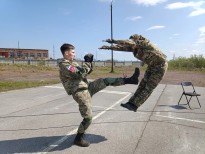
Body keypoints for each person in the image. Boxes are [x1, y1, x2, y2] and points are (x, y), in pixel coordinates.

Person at [58, 43, 140, 147]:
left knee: (105, 80)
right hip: (79, 92)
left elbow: (87, 71)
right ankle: (78, 138)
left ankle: (130, 80)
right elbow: (81, 73)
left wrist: (89, 62)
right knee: (88, 118)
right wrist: (87, 62)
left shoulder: (72, 63)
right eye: (72, 52)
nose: (74, 54)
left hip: (87, 87)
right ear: (66, 53)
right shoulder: (64, 64)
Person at [99, 34, 168, 112]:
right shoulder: (135, 48)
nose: (131, 44)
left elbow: (129, 43)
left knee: (149, 87)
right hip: (152, 66)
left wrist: (113, 41)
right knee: (142, 84)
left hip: (160, 66)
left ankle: (135, 105)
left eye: (132, 41)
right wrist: (108, 47)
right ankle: (131, 103)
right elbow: (121, 48)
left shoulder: (145, 43)